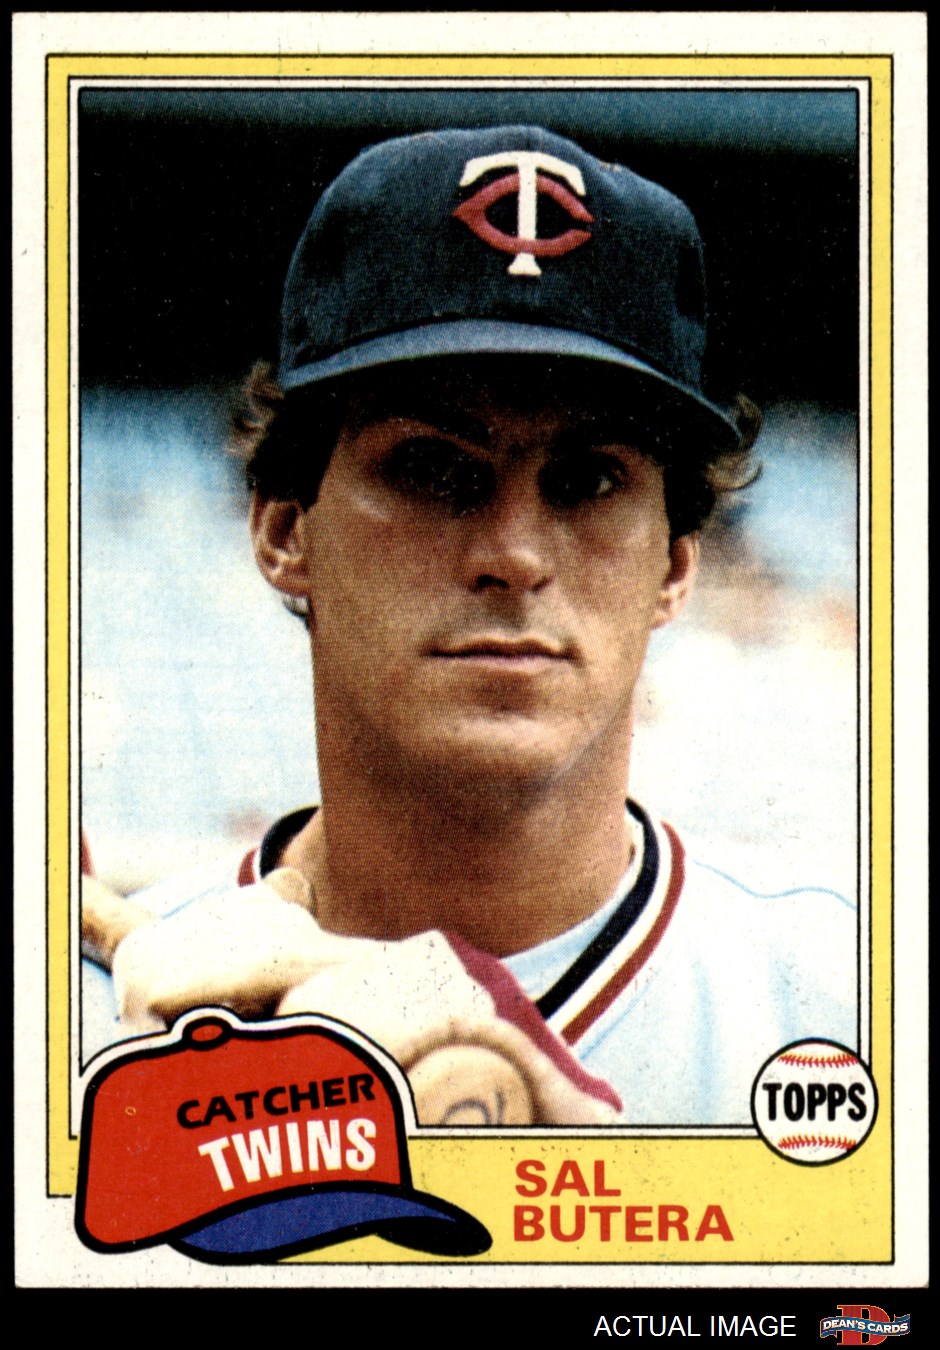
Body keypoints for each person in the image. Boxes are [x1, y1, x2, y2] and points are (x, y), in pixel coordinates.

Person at [81, 125, 855, 1124]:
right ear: (283, 531)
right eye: (432, 467)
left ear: (675, 563)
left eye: (589, 480)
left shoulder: (856, 999)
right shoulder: (106, 1019)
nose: (515, 555)